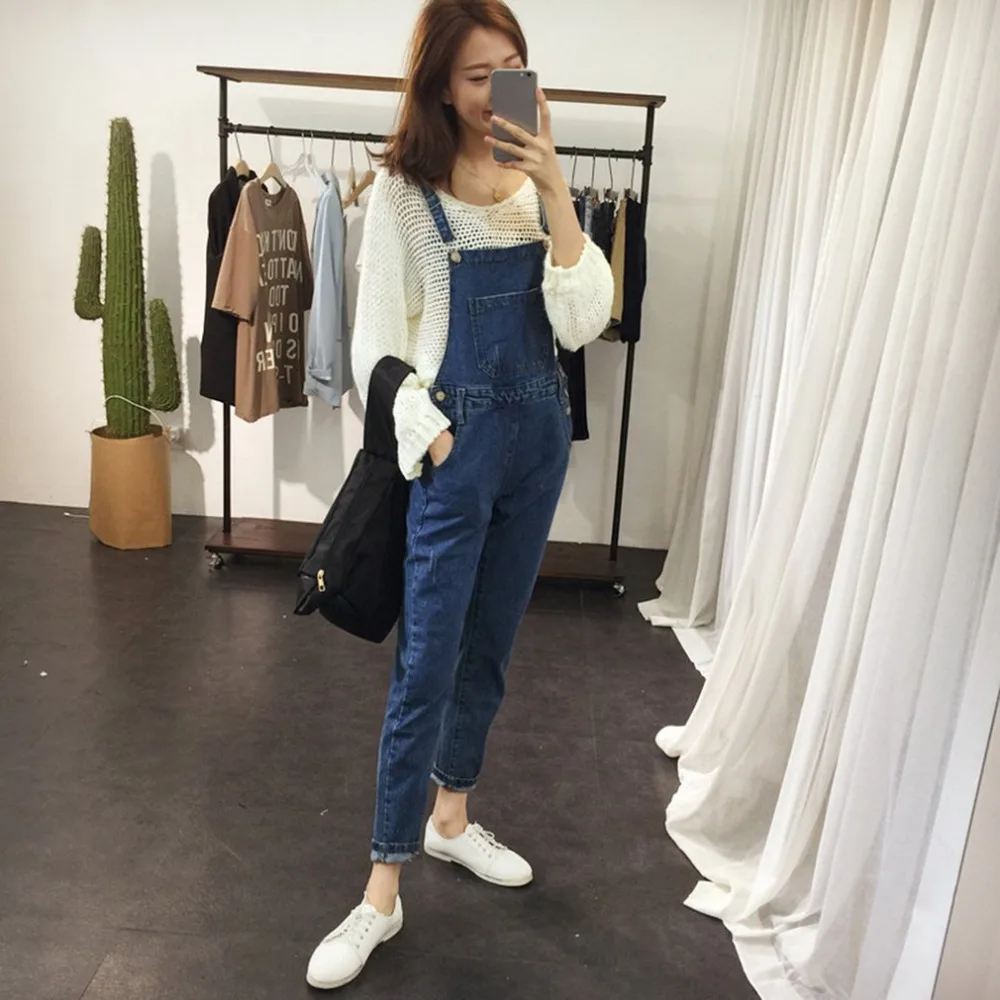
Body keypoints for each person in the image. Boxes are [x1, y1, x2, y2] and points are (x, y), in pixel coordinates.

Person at [306, 0, 614, 989]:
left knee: (489, 650)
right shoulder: (405, 194)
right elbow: (373, 346)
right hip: (456, 450)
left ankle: (452, 816)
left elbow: (582, 320)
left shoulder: (538, 186)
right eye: (478, 74)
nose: (495, 91)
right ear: (440, 83)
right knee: (425, 665)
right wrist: (430, 433)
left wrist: (556, 189)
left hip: (537, 447)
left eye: (511, 67)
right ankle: (380, 891)